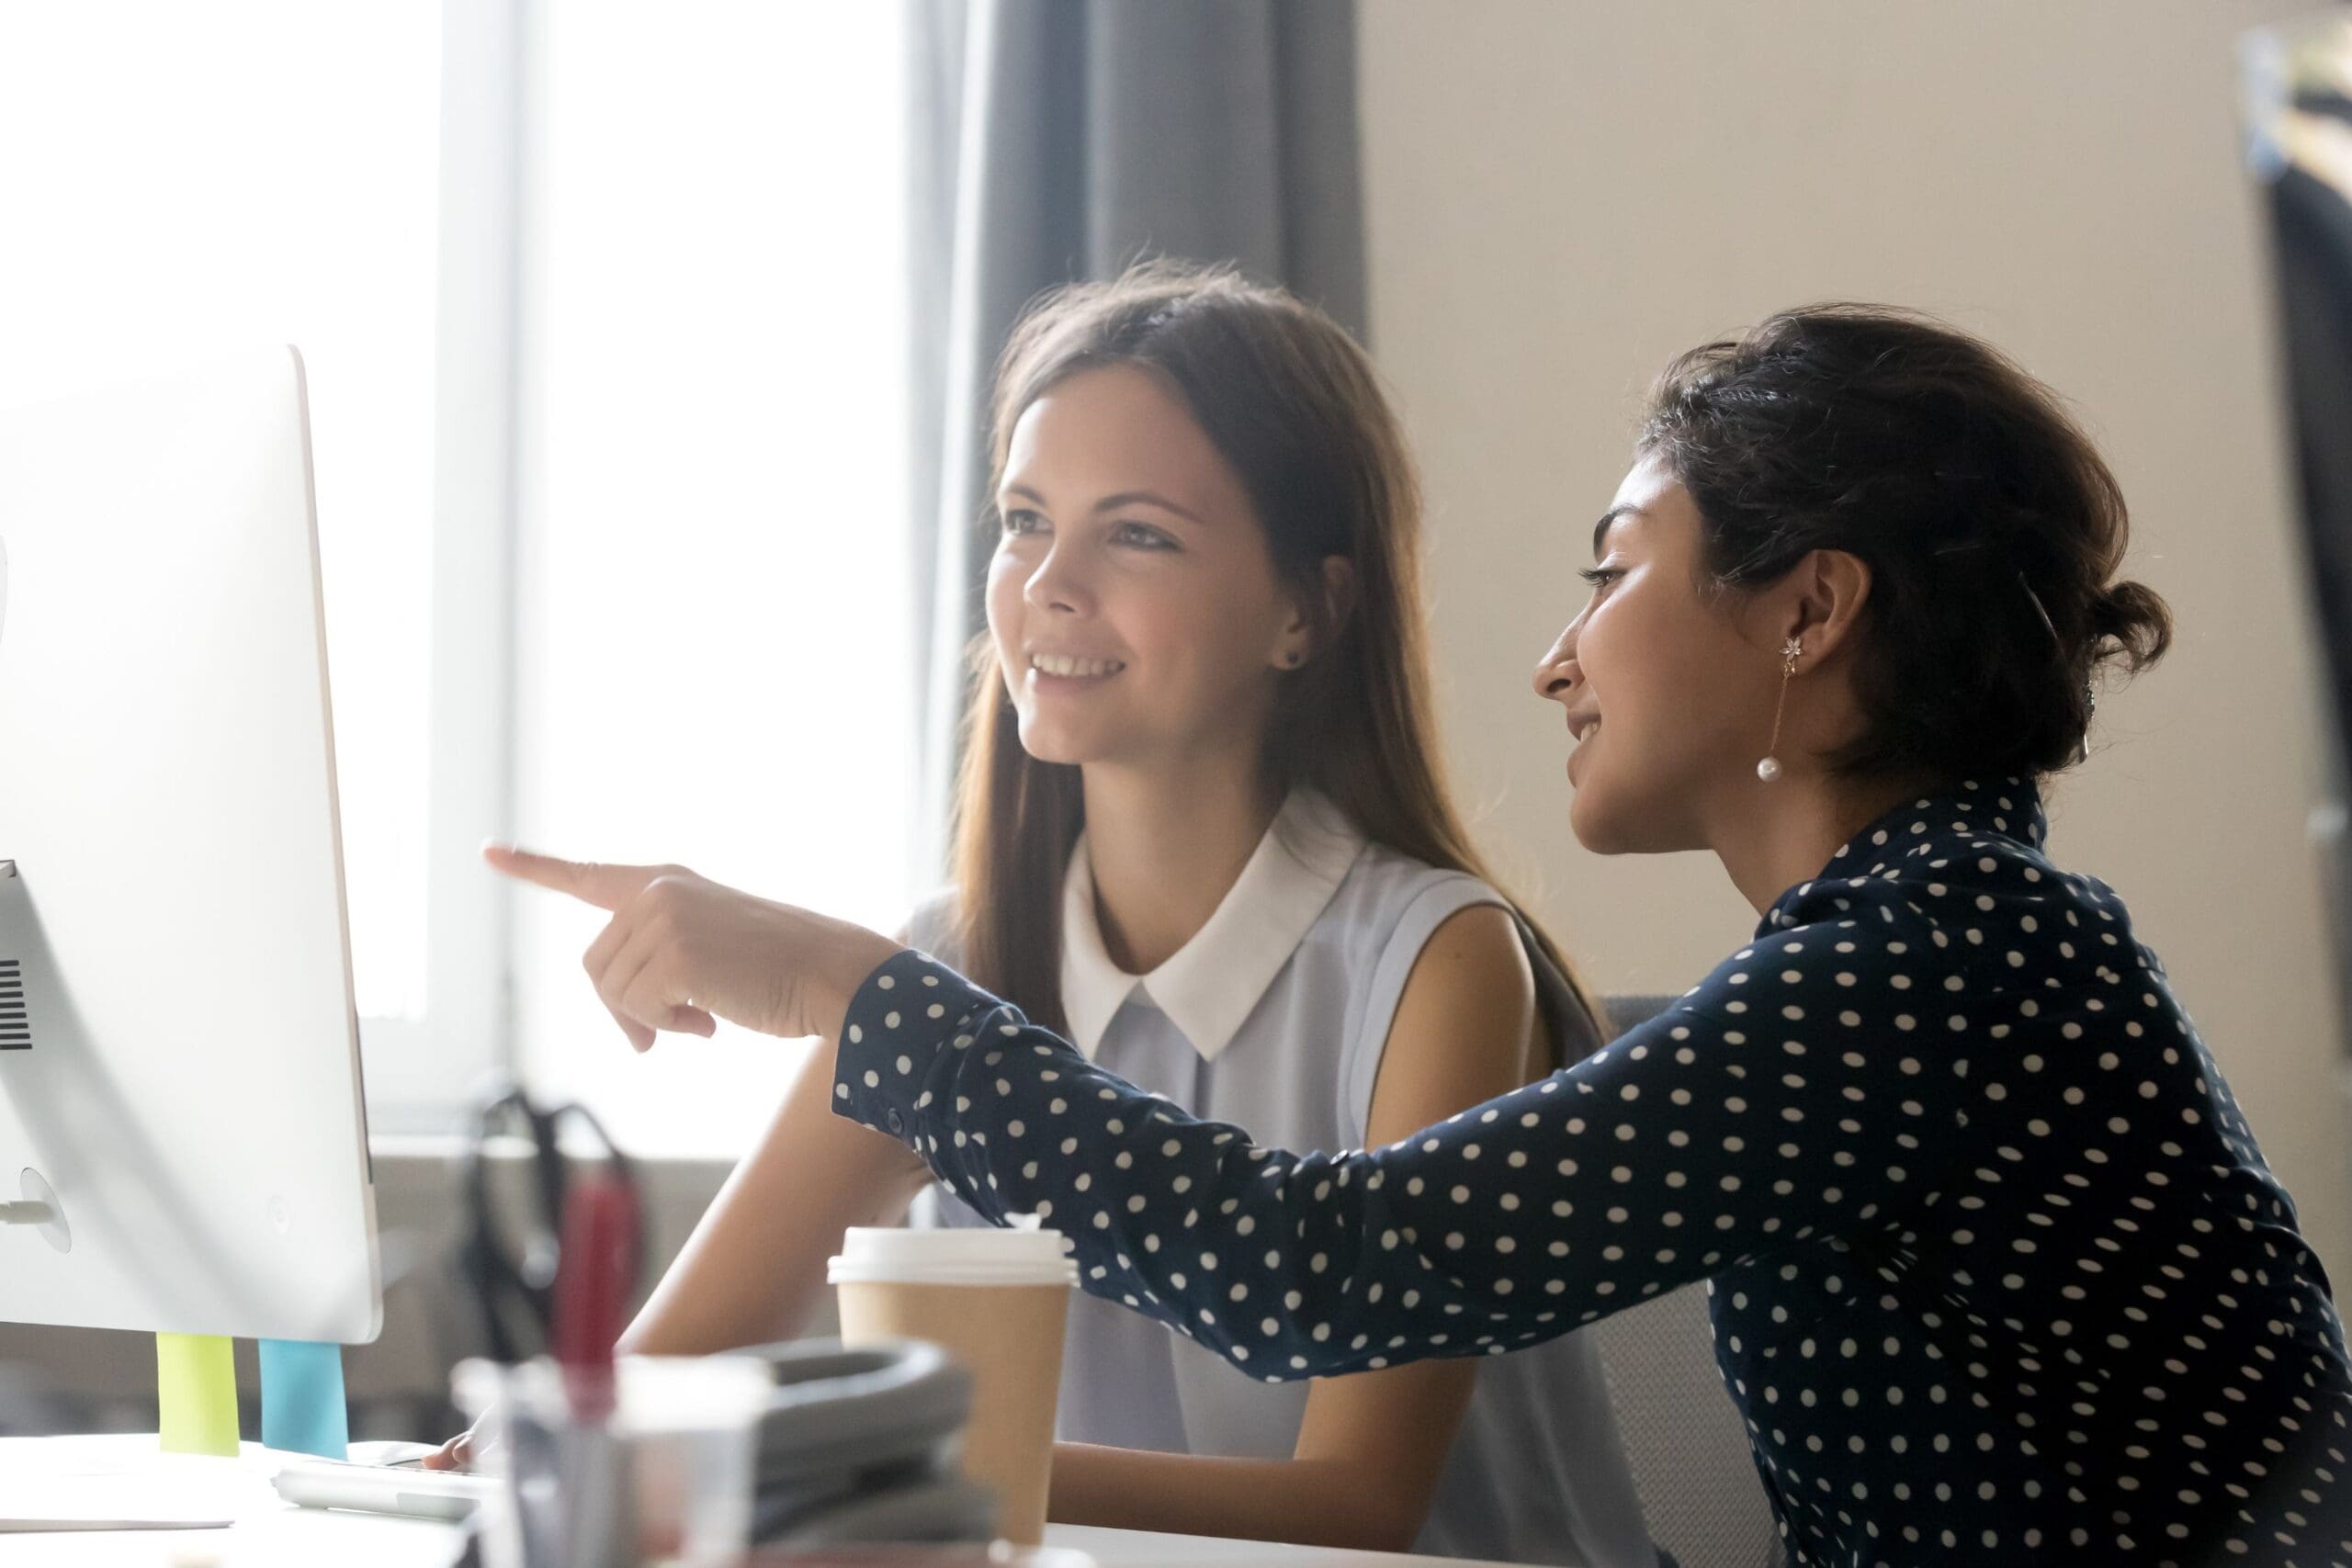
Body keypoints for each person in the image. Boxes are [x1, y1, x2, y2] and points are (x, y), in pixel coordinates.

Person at [506, 303, 2352, 1563]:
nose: (1559, 652)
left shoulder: (1939, 962)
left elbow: (1324, 1266)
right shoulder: (1915, 947)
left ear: (1806, 611)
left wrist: (853, 995)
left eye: (1612, 569)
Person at [465, 265, 1656, 1564]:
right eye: (1025, 520)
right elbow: (654, 1385)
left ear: (1308, 610)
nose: (1048, 582)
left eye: (1135, 533)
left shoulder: (1438, 961)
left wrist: (881, 1462)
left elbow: (1356, 1504)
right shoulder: (956, 965)